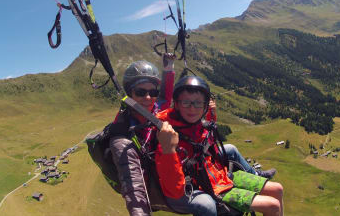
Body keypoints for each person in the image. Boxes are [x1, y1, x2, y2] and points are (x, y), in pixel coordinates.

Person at [156, 76, 284, 216]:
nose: (192, 108)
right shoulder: (168, 136)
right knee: (273, 205)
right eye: (186, 102)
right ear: (177, 104)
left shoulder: (197, 125)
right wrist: (169, 150)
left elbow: (208, 140)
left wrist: (212, 114)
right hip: (210, 188)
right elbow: (174, 190)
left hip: (220, 176)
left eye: (198, 103)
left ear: (205, 106)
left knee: (277, 189)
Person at [109, 55, 175, 216]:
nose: (148, 97)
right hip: (152, 186)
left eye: (153, 92)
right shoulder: (122, 131)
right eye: (140, 92)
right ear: (130, 94)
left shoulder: (155, 108)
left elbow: (165, 96)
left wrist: (169, 69)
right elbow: (132, 184)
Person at [208, 99, 276, 180]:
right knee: (230, 150)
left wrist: (210, 114)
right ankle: (255, 176)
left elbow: (208, 131)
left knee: (230, 149)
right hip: (203, 159)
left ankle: (255, 174)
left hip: (206, 153)